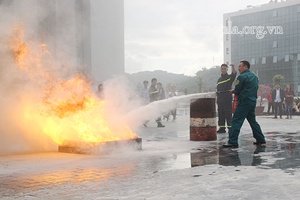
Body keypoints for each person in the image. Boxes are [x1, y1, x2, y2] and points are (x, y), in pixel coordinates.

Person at [223, 60, 266, 148]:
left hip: (244, 102)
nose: (239, 69)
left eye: (240, 66)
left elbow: (238, 90)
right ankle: (260, 139)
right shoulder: (255, 76)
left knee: (235, 121)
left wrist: (233, 91)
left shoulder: (241, 77)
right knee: (252, 121)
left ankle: (233, 141)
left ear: (246, 67)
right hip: (252, 102)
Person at [216, 63, 237, 133]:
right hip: (220, 99)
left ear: (227, 69)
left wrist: (233, 67)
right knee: (220, 114)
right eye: (222, 69)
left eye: (225, 69)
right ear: (220, 70)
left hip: (227, 99)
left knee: (228, 114)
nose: (223, 70)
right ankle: (222, 128)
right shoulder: (219, 80)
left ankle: (230, 128)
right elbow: (217, 90)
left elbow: (234, 74)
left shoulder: (229, 77)